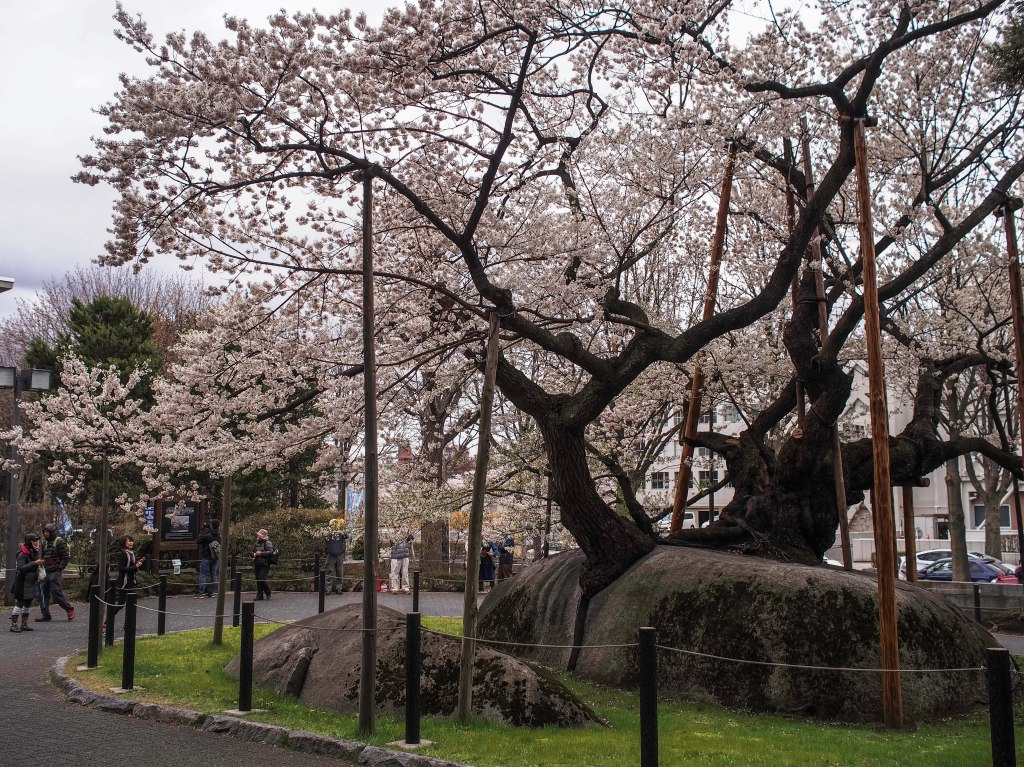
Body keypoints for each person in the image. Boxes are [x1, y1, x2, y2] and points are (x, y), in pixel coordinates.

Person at [37, 522, 75, 622]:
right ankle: (45, 614)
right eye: (44, 532)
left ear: (52, 532)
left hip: (55, 571)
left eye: (47, 532)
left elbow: (65, 557)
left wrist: (59, 569)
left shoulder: (59, 541)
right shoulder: (44, 543)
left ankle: (69, 609)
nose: (45, 534)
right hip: (45, 571)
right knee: (42, 593)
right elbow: (42, 556)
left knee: (56, 593)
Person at [107, 534, 145, 627]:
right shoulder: (123, 554)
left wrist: (137, 565)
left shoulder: (131, 553)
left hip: (131, 581)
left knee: (131, 603)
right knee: (121, 604)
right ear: (124, 543)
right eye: (129, 541)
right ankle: (107, 622)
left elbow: (132, 568)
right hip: (124, 582)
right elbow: (121, 569)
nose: (131, 542)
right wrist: (134, 566)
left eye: (132, 540)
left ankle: (128, 624)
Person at [10, 533, 44, 632]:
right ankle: (13, 624)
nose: (37, 543)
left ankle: (24, 624)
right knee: (19, 603)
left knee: (28, 603)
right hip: (22, 582)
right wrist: (35, 563)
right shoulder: (22, 553)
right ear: (29, 542)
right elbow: (21, 568)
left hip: (31, 582)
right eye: (34, 541)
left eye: (37, 541)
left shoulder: (34, 552)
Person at [195, 520, 221, 598]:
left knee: (203, 574)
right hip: (215, 557)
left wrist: (203, 532)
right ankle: (212, 592)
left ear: (211, 525)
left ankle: (201, 592)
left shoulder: (208, 535)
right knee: (214, 575)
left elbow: (198, 540)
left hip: (206, 557)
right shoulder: (218, 536)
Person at [324, 518, 347, 594]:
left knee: (331, 572)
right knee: (338, 572)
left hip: (332, 554)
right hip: (338, 554)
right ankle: (337, 589)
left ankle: (329, 589)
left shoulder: (331, 532)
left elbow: (326, 541)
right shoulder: (338, 532)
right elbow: (346, 537)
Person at [252, 529, 275, 600]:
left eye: (259, 535)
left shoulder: (268, 543)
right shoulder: (256, 543)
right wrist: (253, 554)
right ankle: (259, 595)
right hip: (257, 563)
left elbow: (270, 552)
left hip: (265, 563)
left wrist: (261, 553)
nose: (257, 536)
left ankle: (268, 592)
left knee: (261, 579)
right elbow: (251, 551)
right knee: (258, 580)